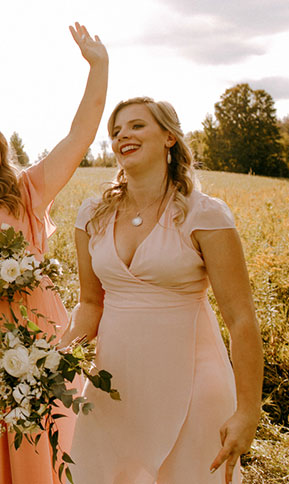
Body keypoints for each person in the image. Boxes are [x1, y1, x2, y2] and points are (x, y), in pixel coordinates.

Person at [0, 23, 108, 484]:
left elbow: (80, 136)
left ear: (3, 149)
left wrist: (98, 67)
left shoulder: (29, 190)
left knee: (42, 428)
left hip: (36, 321)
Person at [61, 97, 262, 484]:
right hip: (113, 384)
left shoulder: (205, 215)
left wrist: (247, 411)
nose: (123, 136)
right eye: (116, 131)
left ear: (169, 137)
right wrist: (52, 362)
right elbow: (89, 304)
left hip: (192, 381)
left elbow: (241, 319)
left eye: (136, 126)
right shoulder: (92, 215)